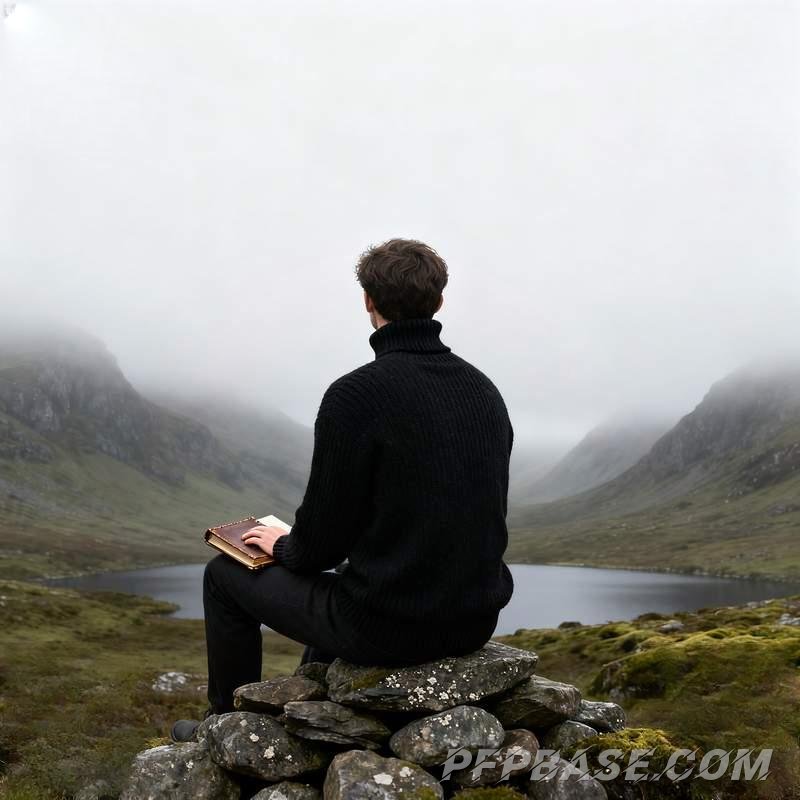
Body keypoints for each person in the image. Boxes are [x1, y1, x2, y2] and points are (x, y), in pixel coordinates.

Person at [171, 238, 514, 741]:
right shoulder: (484, 391)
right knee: (347, 580)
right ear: (439, 302)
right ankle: (307, 698)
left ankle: (225, 727)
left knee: (223, 575)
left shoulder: (355, 395)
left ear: (368, 302)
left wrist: (284, 544)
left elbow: (320, 547)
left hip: (387, 627)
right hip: (472, 621)